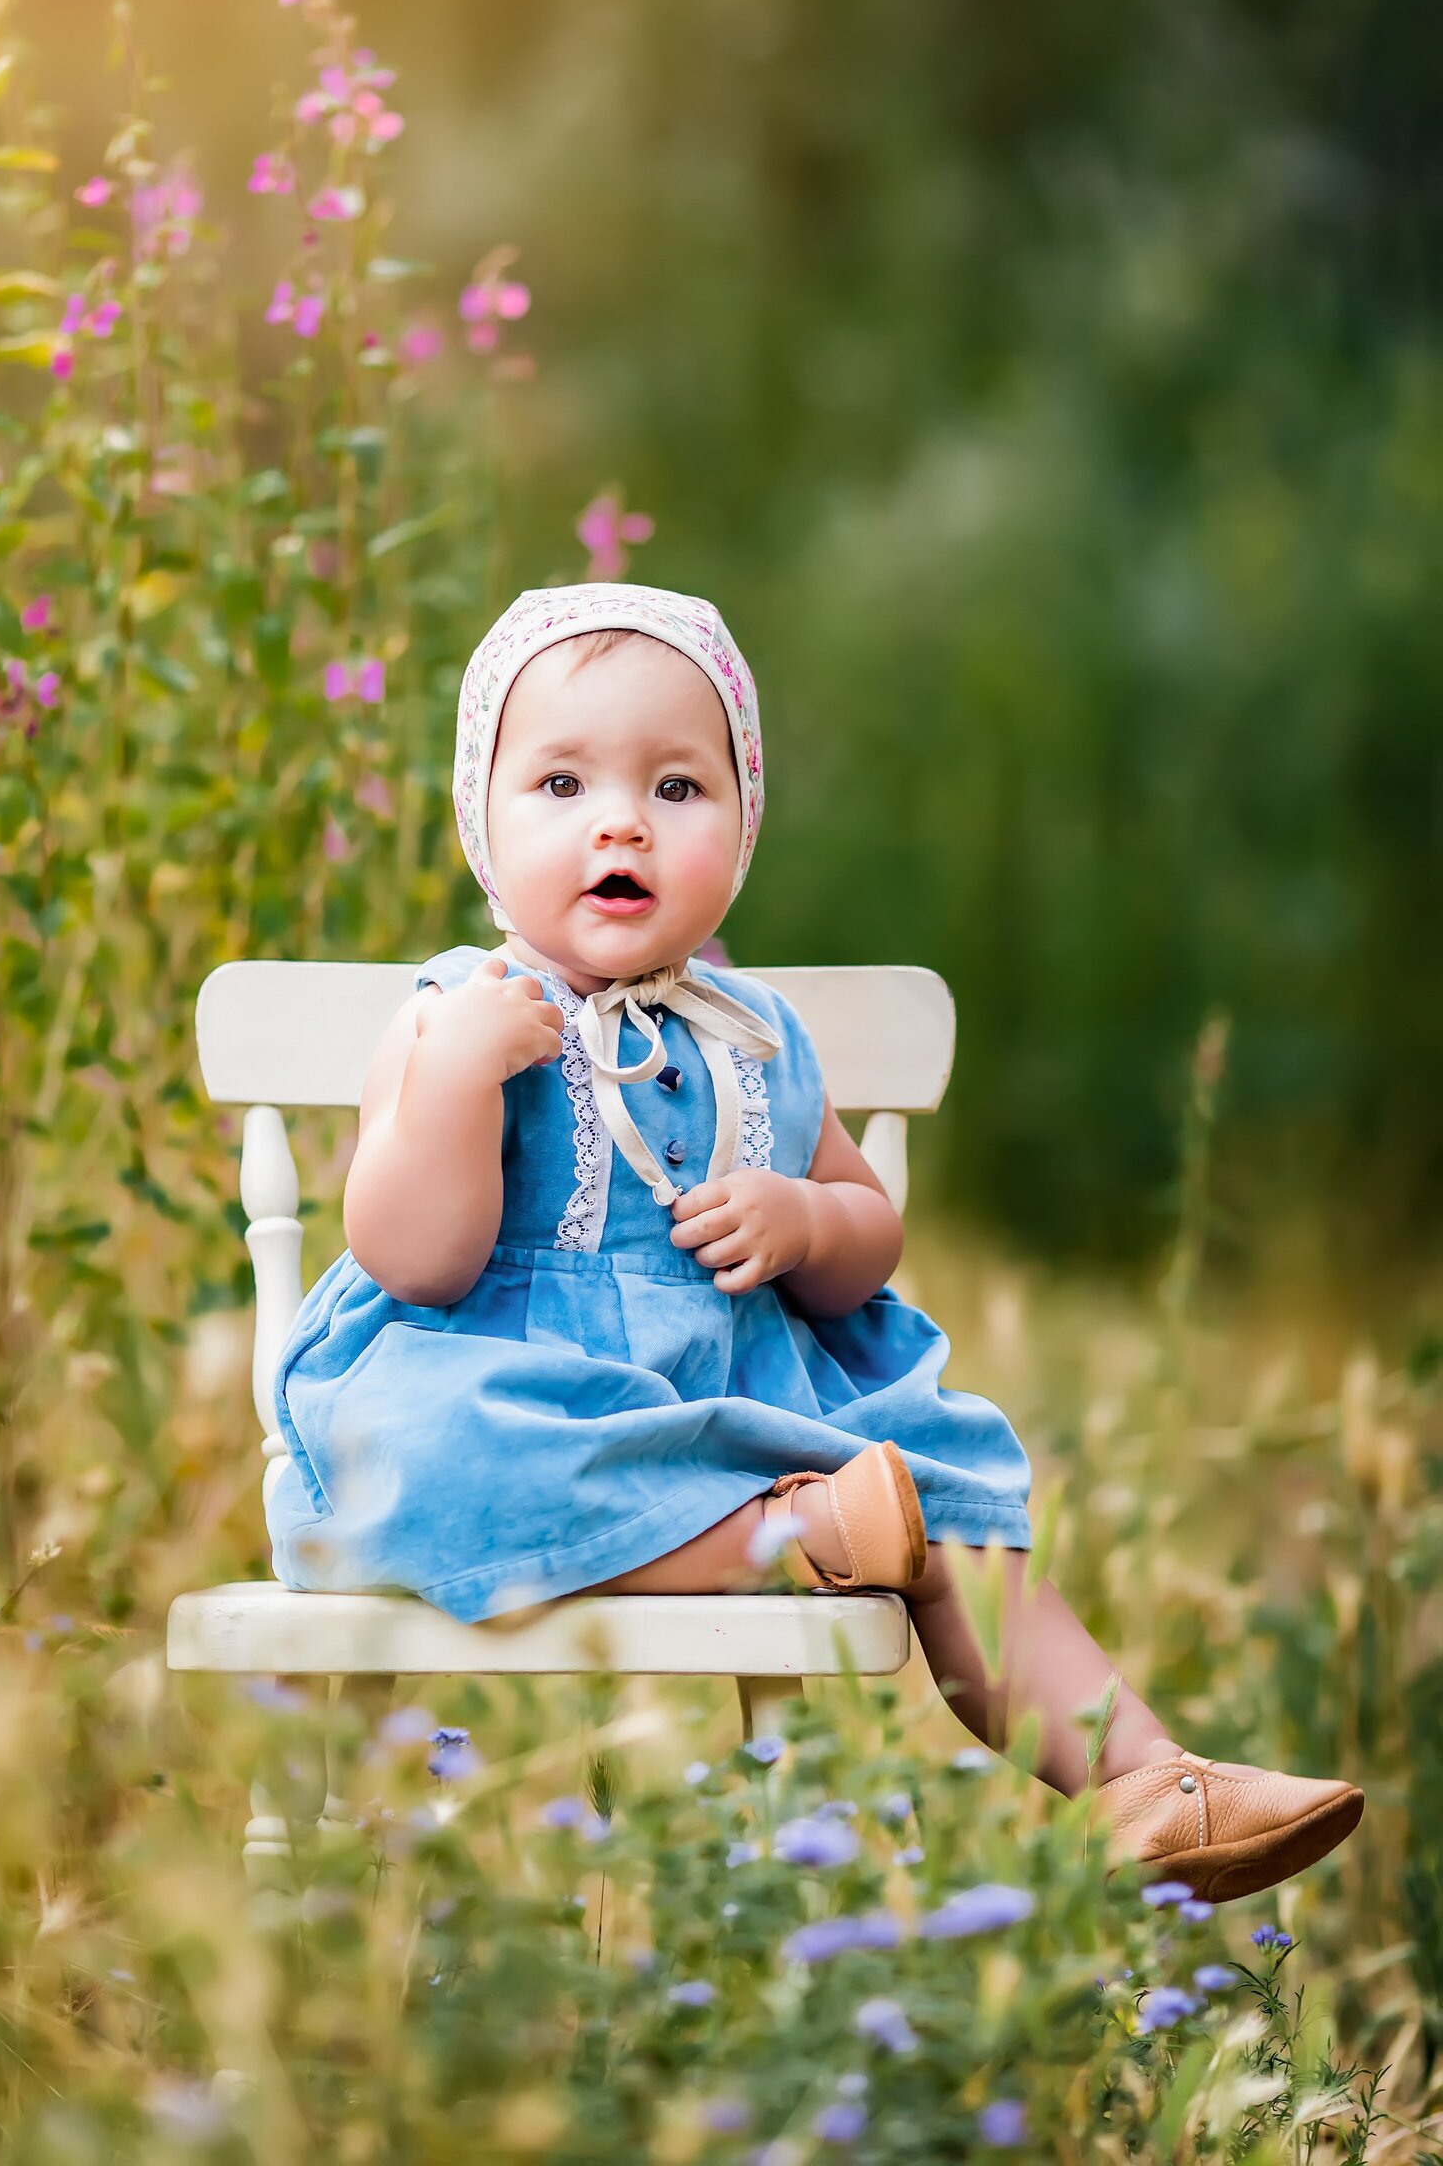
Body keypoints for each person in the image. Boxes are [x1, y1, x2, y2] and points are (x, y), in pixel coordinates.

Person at [267, 580, 1363, 1902]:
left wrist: (804, 1219)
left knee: (941, 1493)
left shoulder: (759, 1037)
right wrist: (451, 1085)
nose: (621, 820)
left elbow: (867, 1241)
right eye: (561, 785)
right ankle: (783, 1536)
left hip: (734, 1396)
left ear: (740, 829)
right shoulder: (455, 1012)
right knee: (439, 1458)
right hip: (522, 1386)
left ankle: (1145, 1775)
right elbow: (414, 1259)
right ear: (482, 825)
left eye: (678, 788)